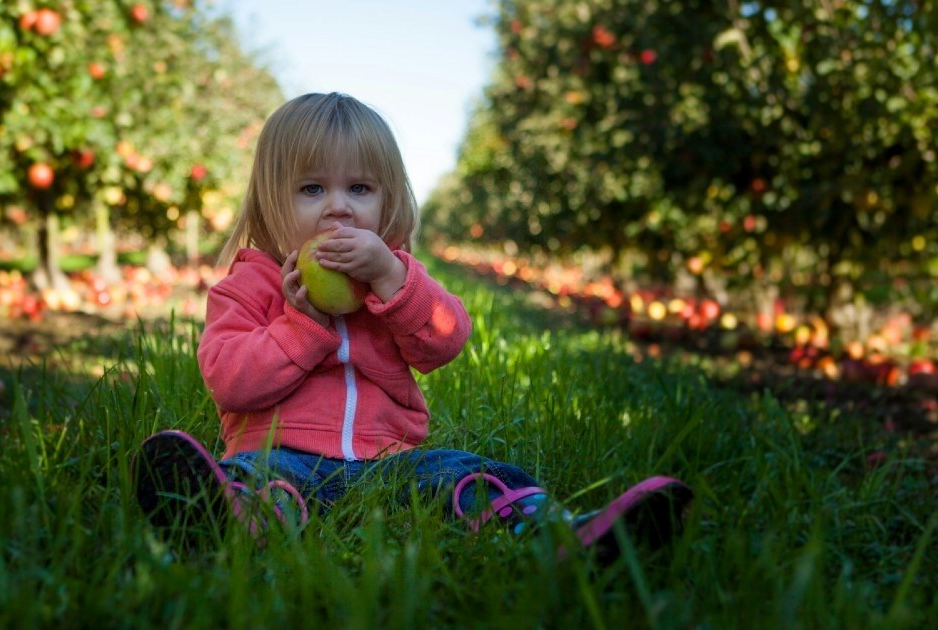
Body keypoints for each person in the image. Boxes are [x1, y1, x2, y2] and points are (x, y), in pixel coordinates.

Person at [131, 92, 692, 562]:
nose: (338, 209)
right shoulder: (246, 288)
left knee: (473, 475)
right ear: (269, 200)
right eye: (311, 189)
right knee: (256, 479)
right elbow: (230, 381)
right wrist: (302, 326)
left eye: (359, 189)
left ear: (387, 199)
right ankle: (227, 518)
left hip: (390, 461)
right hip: (280, 452)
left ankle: (565, 535)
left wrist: (392, 280)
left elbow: (446, 340)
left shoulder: (395, 277)